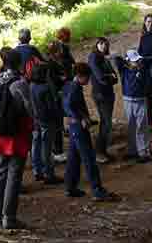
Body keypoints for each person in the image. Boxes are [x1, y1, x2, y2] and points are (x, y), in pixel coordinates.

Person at [0, 49, 34, 230]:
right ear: (19, 63)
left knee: (1, 172)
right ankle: (9, 217)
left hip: (0, 131)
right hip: (18, 132)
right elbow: (29, 108)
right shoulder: (21, 84)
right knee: (14, 174)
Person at [62, 63, 118, 201]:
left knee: (74, 158)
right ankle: (97, 190)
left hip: (74, 126)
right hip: (79, 127)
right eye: (87, 77)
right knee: (89, 159)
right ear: (81, 76)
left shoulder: (69, 85)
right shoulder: (74, 88)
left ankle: (70, 187)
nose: (88, 81)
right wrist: (80, 118)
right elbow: (69, 105)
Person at [113, 49, 152, 162]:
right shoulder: (124, 70)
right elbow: (116, 59)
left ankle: (144, 152)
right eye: (135, 61)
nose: (138, 62)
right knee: (131, 126)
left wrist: (140, 60)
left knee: (142, 126)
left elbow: (149, 59)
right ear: (128, 61)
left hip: (141, 100)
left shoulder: (143, 68)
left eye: (138, 60)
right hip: (128, 100)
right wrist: (126, 61)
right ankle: (132, 151)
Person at [29, 62, 62, 185]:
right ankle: (49, 173)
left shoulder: (31, 85)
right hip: (47, 120)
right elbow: (51, 107)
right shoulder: (46, 88)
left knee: (36, 145)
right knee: (46, 149)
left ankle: (37, 171)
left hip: (36, 119)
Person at [88, 37, 118, 163]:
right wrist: (110, 77)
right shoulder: (94, 57)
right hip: (101, 94)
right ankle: (99, 152)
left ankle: (102, 151)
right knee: (106, 123)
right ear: (96, 45)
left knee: (106, 123)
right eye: (101, 44)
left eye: (105, 44)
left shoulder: (102, 58)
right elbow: (101, 77)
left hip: (106, 93)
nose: (104, 46)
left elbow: (115, 77)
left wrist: (110, 77)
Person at [45, 40, 68, 160]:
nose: (62, 51)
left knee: (59, 125)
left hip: (57, 97)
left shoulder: (55, 62)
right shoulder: (50, 65)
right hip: (55, 100)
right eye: (60, 49)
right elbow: (51, 83)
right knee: (57, 126)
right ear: (55, 52)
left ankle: (57, 149)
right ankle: (57, 151)